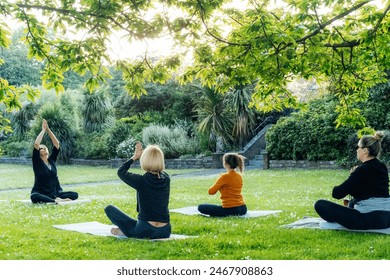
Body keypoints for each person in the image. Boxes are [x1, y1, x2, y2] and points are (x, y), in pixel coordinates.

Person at [314, 131, 390, 230]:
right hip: (387, 217)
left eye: (358, 147)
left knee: (320, 204)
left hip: (370, 219)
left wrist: (352, 176)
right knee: (352, 202)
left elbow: (337, 193)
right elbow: (372, 190)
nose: (356, 150)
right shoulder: (382, 167)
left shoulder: (362, 170)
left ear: (365, 151)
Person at [104, 142, 171, 239]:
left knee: (109, 209)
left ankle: (127, 232)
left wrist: (135, 157)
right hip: (165, 231)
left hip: (144, 230)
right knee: (135, 224)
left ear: (144, 160)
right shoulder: (166, 179)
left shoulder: (141, 181)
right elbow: (159, 172)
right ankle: (128, 231)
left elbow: (121, 171)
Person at [30, 119, 78, 203]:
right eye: (40, 149)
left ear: (47, 151)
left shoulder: (51, 160)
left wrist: (48, 130)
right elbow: (37, 144)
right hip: (41, 193)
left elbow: (56, 144)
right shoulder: (37, 162)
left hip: (55, 193)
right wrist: (43, 130)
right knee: (34, 196)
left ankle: (56, 199)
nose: (41, 148)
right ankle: (55, 201)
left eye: (43, 147)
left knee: (75, 194)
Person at [198, 153, 247, 217]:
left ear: (226, 164)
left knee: (201, 207)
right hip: (243, 208)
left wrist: (219, 180)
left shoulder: (224, 177)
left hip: (230, 209)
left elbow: (211, 192)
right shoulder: (239, 176)